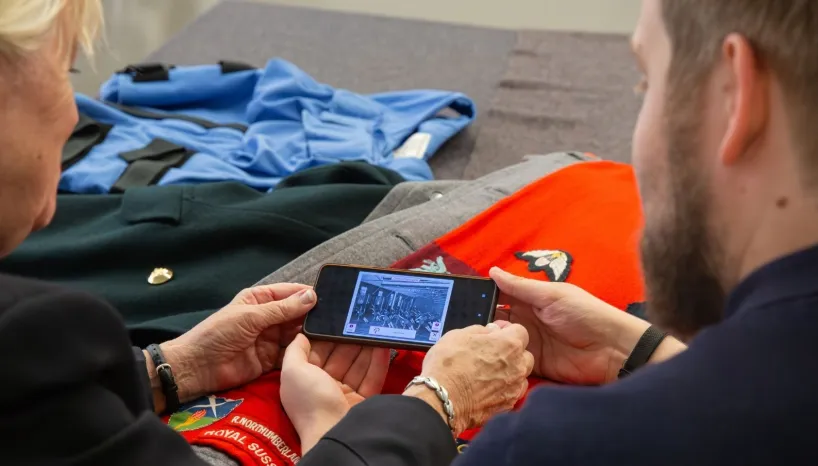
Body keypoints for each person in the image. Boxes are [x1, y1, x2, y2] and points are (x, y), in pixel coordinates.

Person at [280, 0, 818, 464]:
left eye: (646, 83)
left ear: (736, 98)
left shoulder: (554, 445)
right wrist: (638, 349)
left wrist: (351, 436)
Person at [0, 1, 533, 465]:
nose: (75, 113)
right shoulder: (36, 334)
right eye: (66, 73)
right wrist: (435, 404)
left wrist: (171, 370)